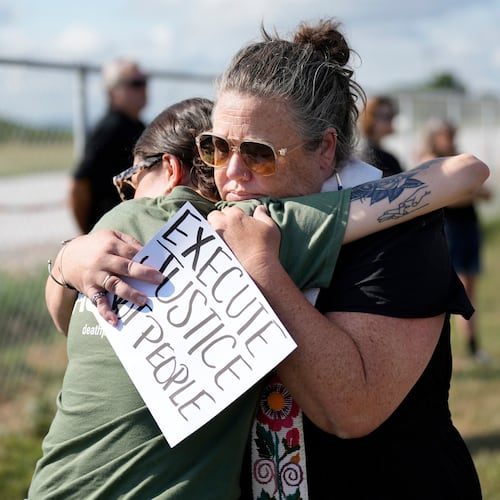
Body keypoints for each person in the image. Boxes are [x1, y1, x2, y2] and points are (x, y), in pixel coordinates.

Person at [40, 19, 487, 499]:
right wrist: (70, 259)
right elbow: (79, 324)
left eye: (258, 154)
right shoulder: (216, 223)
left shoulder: (396, 233)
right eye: (215, 149)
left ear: (325, 152)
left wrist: (264, 272)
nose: (231, 174)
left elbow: (350, 411)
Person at [419, 118, 493, 361]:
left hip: (469, 228)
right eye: (446, 134)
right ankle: (449, 350)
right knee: (452, 291)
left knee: (470, 290)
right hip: (449, 231)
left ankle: (473, 346)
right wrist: (467, 191)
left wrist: (462, 191)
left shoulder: (458, 158)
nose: (450, 138)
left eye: (452, 133)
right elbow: (444, 198)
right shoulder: (429, 160)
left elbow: (486, 191)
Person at [69, 57, 148, 233]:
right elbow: (78, 184)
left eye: (144, 81)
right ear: (114, 92)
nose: (144, 88)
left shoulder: (138, 126)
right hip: (109, 229)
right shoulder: (109, 129)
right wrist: (88, 233)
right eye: (136, 83)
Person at [359, 94, 404, 176]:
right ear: (371, 119)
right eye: (386, 116)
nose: (390, 121)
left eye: (391, 116)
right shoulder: (373, 157)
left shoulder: (382, 156)